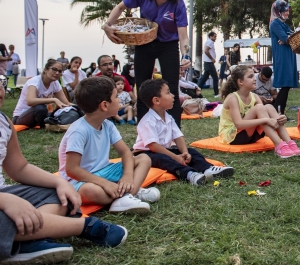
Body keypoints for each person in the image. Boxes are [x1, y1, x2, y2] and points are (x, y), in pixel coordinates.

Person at [0, 83, 128, 264]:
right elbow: (73, 167)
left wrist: (60, 183)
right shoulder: (80, 129)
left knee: (63, 195)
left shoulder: (3, 122)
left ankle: (24, 238)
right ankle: (85, 227)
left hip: (5, 193)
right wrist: (5, 201)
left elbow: (19, 168)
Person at [102, 0, 190, 128]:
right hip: (145, 42)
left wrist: (186, 55)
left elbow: (183, 36)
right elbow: (120, 7)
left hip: (168, 45)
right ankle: (143, 135)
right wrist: (107, 26)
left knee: (172, 88)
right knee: (142, 87)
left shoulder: (177, 2)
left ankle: (174, 134)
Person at [58, 77, 158, 215]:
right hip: (80, 181)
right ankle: (128, 195)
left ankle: (127, 195)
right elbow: (71, 170)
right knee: (91, 191)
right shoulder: (79, 131)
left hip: (105, 171)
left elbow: (125, 153)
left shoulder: (108, 125)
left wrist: (128, 176)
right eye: (116, 97)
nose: (119, 101)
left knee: (144, 159)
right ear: (105, 105)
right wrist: (104, 183)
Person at [133, 79, 234, 186]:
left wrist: (185, 152)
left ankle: (208, 169)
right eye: (168, 92)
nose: (172, 95)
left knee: (192, 152)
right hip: (147, 153)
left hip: (164, 150)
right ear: (156, 101)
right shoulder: (148, 121)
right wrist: (175, 157)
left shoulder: (168, 117)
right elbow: (153, 146)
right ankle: (189, 174)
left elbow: (178, 136)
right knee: (163, 159)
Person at [218, 65, 300, 158]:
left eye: (254, 76)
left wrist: (280, 119)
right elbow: (239, 124)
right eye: (250, 77)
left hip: (251, 136)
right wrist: (265, 120)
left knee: (269, 107)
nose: (254, 79)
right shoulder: (233, 98)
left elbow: (264, 114)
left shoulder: (255, 96)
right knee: (259, 108)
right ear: (240, 82)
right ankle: (279, 145)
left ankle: (289, 143)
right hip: (233, 137)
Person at [12, 59, 72, 129]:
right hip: (20, 117)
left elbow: (66, 103)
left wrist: (80, 108)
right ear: (45, 70)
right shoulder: (34, 81)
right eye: (54, 69)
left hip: (41, 115)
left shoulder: (55, 83)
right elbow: (30, 101)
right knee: (40, 108)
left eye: (60, 71)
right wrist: (53, 99)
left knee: (62, 110)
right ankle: (46, 124)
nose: (57, 73)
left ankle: (50, 122)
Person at [269, 0, 298, 116]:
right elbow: (287, 39)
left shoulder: (283, 24)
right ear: (278, 11)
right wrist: (289, 38)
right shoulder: (275, 24)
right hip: (283, 57)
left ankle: (279, 111)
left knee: (287, 86)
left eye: (287, 10)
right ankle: (278, 112)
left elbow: (291, 37)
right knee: (285, 85)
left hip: (288, 56)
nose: (287, 12)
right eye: (285, 10)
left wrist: (290, 37)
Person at [197, 32, 219, 97]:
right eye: (214, 37)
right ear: (211, 36)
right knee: (215, 77)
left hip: (207, 62)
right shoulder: (210, 42)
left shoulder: (209, 42)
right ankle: (216, 93)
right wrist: (212, 58)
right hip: (209, 62)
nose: (215, 38)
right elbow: (206, 51)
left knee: (204, 78)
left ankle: (197, 90)